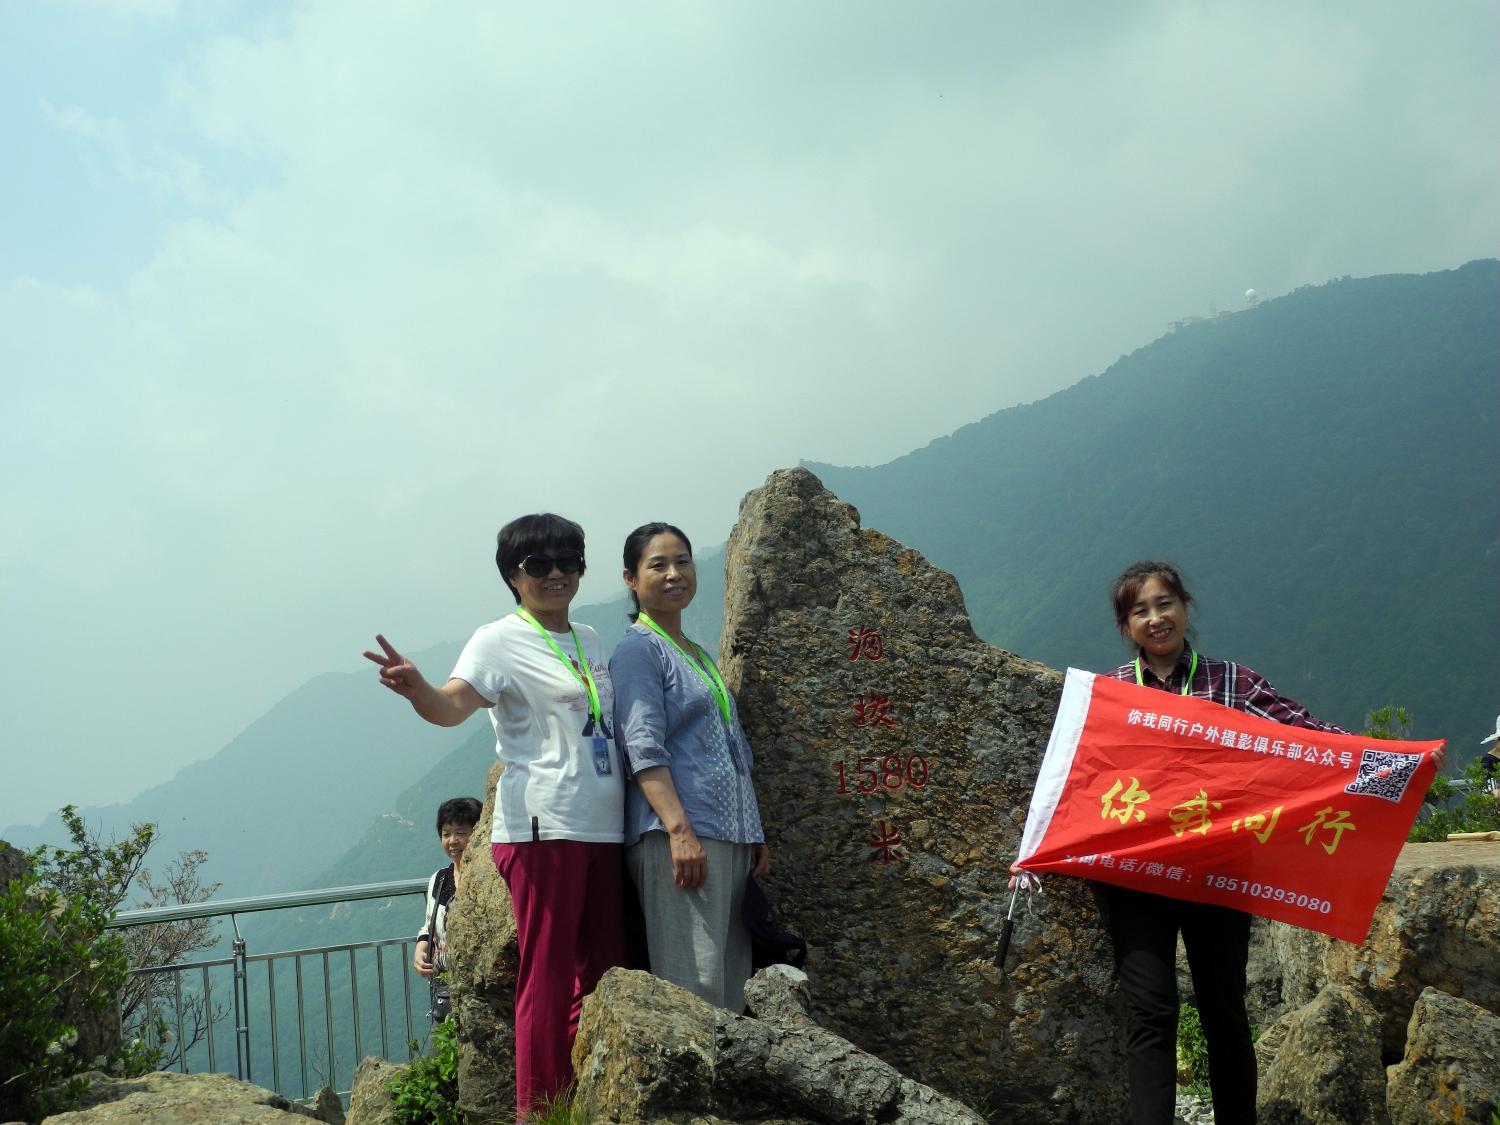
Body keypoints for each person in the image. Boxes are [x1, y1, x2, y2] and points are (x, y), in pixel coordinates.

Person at [365, 513, 625, 1123]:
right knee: (547, 975)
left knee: (603, 971)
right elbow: (453, 705)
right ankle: (538, 1111)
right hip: (542, 828)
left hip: (604, 825)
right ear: (513, 575)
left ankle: (581, 1100)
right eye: (540, 564)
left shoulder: (589, 637)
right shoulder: (498, 639)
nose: (557, 573)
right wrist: (419, 689)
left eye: (569, 561)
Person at [1095, 560, 1349, 1125]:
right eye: (1140, 610)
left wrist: (1389, 762)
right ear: (1126, 626)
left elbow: (1304, 734)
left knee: (1224, 1011)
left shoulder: (1234, 683)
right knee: (1150, 1012)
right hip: (1139, 875)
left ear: (1185, 606)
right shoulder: (1111, 694)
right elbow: (1077, 779)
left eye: (1164, 604)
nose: (1156, 619)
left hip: (1219, 869)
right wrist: (1036, 850)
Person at [608, 522, 770, 1013]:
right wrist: (679, 831)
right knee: (693, 984)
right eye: (658, 565)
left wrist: (753, 832)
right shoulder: (639, 649)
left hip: (727, 836)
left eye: (682, 561)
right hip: (679, 837)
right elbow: (642, 746)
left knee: (731, 981)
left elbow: (733, 747)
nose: (674, 573)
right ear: (631, 579)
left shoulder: (695, 652)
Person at [415, 796, 482, 1022]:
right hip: (445, 991)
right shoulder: (439, 880)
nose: (453, 841)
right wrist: (421, 948)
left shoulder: (487, 882)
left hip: (478, 990)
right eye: (446, 834)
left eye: (461, 833)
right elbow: (429, 925)